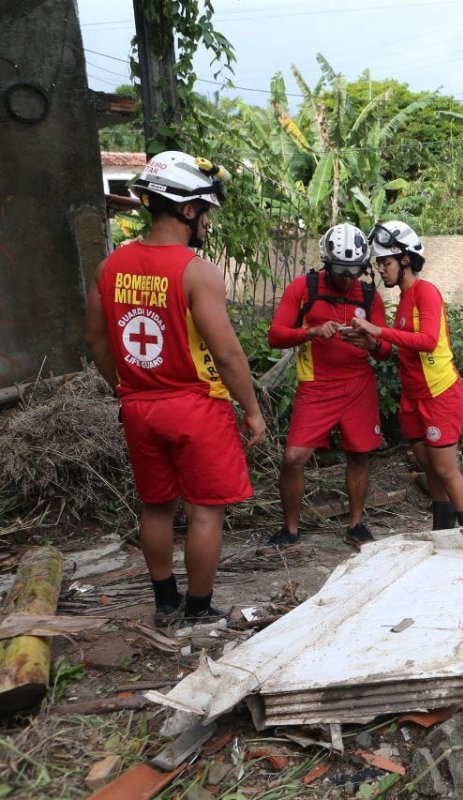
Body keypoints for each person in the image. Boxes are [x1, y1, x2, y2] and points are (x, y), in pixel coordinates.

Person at [84, 150, 266, 626]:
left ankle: (165, 601)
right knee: (206, 511)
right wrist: (251, 409)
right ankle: (199, 609)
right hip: (195, 407)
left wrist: (126, 386)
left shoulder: (110, 268)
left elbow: (96, 339)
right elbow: (226, 353)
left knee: (156, 506)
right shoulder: (195, 271)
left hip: (139, 409)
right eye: (205, 211)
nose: (206, 221)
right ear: (188, 209)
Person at [259, 223, 392, 553]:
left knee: (359, 454)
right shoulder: (305, 287)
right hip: (316, 385)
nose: (347, 279)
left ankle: (356, 525)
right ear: (325, 262)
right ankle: (290, 529)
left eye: (354, 271)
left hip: (359, 384)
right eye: (339, 271)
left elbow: (387, 350)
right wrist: (311, 332)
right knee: (293, 457)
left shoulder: (370, 296)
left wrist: (371, 343)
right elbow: (275, 335)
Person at [351, 220, 463, 547]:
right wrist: (373, 343)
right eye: (379, 264)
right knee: (429, 465)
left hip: (439, 393)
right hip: (413, 396)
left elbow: (425, 340)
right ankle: (442, 532)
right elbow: (400, 347)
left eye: (386, 263)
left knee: (444, 467)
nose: (381, 270)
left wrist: (377, 330)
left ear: (406, 260)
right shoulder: (404, 298)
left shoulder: (426, 293)